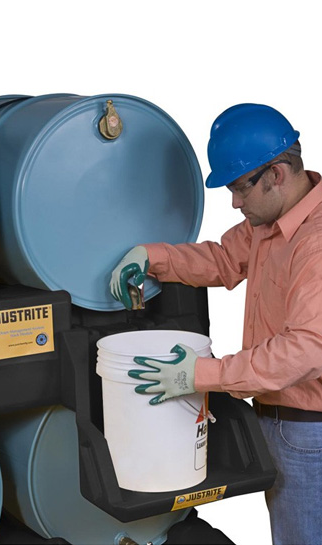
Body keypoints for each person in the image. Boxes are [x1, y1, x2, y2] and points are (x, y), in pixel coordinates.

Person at [109, 103, 322, 545]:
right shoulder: (270, 220)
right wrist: (152, 257)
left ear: (276, 174)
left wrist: (200, 375)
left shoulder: (315, 243)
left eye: (240, 188)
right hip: (280, 417)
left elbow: (304, 350)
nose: (235, 202)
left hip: (308, 429)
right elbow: (223, 259)